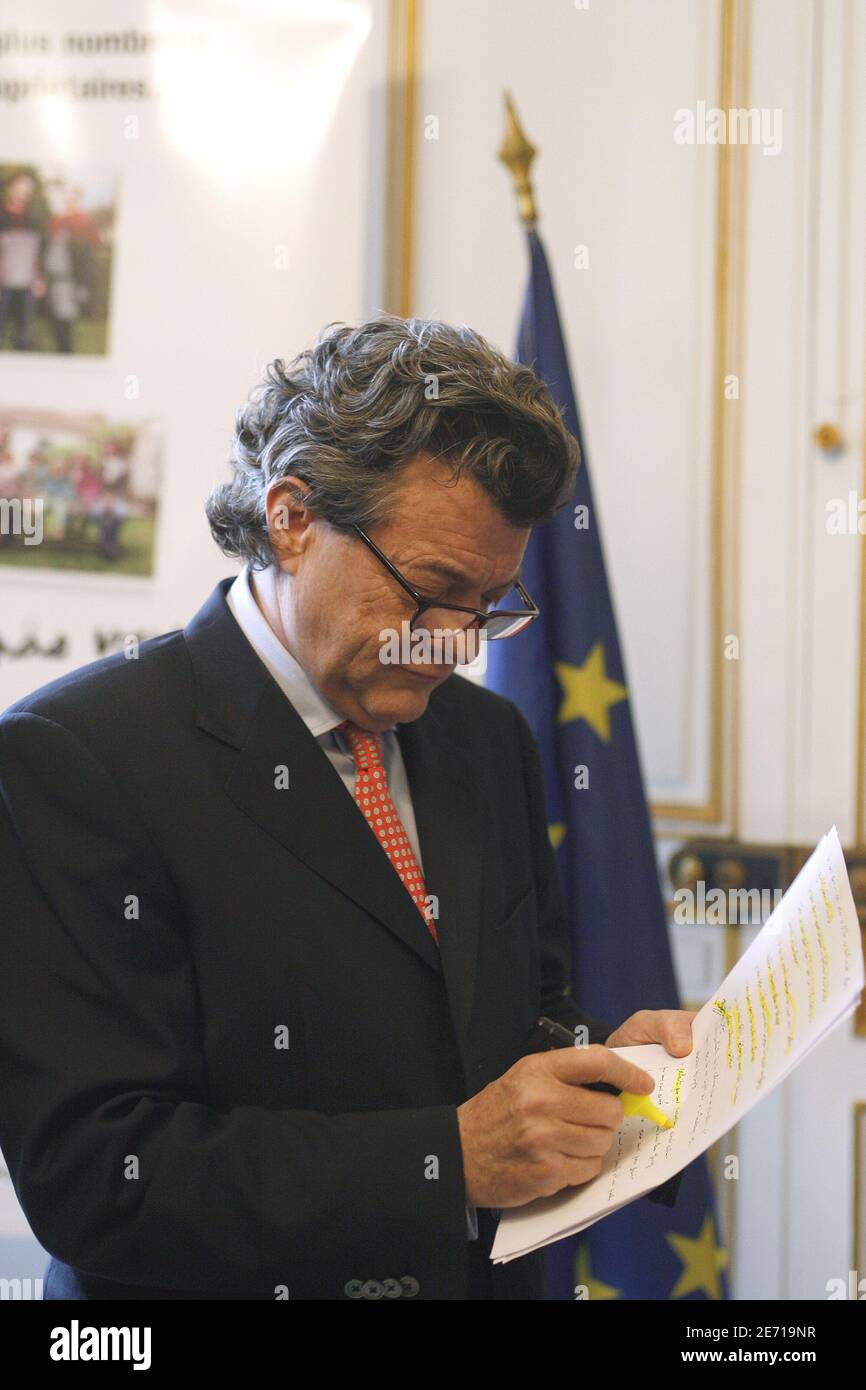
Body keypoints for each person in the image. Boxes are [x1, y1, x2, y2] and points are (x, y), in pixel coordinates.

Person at [0, 316, 692, 1300]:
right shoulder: (73, 759)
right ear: (290, 518)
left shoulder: (487, 739)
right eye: (431, 590)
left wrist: (609, 1073)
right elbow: (97, 1176)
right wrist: (445, 1161)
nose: (458, 645)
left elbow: (512, 1019)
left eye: (492, 604)